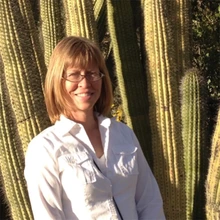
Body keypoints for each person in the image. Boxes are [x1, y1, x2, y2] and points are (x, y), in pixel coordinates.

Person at [24, 36, 165, 220]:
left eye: (92, 73)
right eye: (74, 74)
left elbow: (149, 201)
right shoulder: (45, 148)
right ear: (58, 80)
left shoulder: (123, 134)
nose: (85, 83)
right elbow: (47, 215)